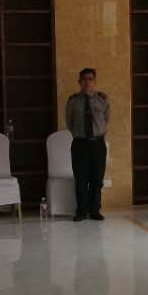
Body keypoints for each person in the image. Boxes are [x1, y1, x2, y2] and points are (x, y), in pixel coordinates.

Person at [64, 67, 109, 221]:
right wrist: (81, 135)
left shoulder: (102, 99)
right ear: (79, 82)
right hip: (80, 144)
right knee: (81, 179)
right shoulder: (73, 101)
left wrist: (98, 133)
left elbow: (106, 120)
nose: (87, 82)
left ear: (94, 81)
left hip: (98, 145)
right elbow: (69, 122)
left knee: (97, 179)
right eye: (84, 79)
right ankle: (81, 211)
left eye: (90, 79)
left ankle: (95, 210)